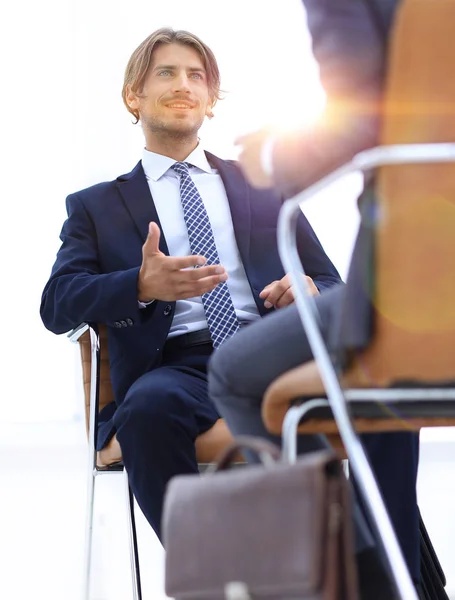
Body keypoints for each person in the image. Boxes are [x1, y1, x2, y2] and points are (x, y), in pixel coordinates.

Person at [40, 27, 341, 542]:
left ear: (210, 99)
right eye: (166, 73)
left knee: (362, 398)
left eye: (195, 76)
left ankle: (364, 572)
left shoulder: (264, 188)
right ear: (134, 96)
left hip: (270, 356)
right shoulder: (95, 206)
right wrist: (137, 284)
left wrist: (310, 290)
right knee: (149, 410)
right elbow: (57, 305)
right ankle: (210, 576)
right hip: (178, 368)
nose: (183, 84)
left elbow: (334, 284)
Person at [208, 1, 421, 598]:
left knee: (235, 374)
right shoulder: (98, 202)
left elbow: (363, 119)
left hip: (413, 299)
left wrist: (272, 156)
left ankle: (354, 577)